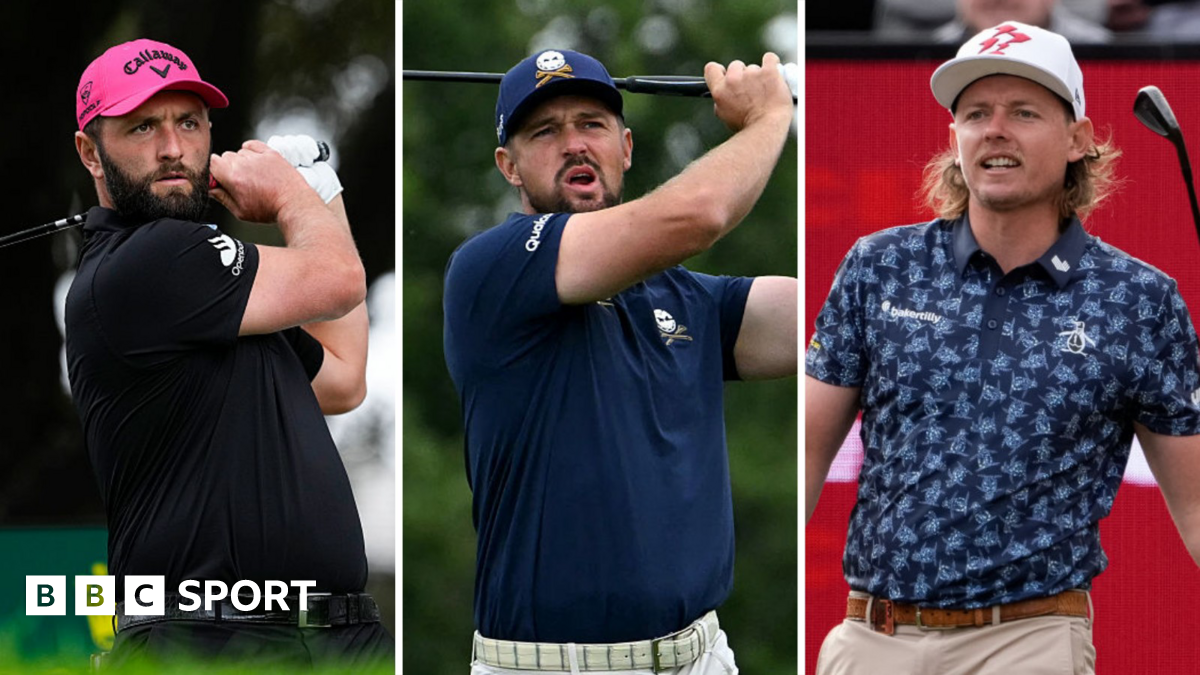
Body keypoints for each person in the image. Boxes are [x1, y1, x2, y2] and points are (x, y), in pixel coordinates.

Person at [806, 21, 1200, 674]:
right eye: (976, 114)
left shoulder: (1140, 300)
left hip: (1030, 639)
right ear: (954, 138)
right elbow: (805, 456)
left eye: (1023, 112)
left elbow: (1195, 505)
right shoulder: (879, 266)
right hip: (872, 633)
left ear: (1078, 139)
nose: (995, 130)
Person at [442, 49, 797, 674]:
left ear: (625, 147)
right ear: (509, 166)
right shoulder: (490, 267)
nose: (574, 144)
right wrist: (770, 118)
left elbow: (835, 315)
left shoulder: (685, 297)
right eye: (544, 132)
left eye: (592, 124)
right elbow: (699, 214)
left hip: (700, 656)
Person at [64, 38, 391, 669]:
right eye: (142, 127)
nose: (172, 148)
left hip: (332, 639)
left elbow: (344, 378)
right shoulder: (148, 261)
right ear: (91, 152)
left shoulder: (212, 292)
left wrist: (321, 191)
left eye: (189, 123)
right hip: (213, 640)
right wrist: (294, 195)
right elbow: (340, 279)